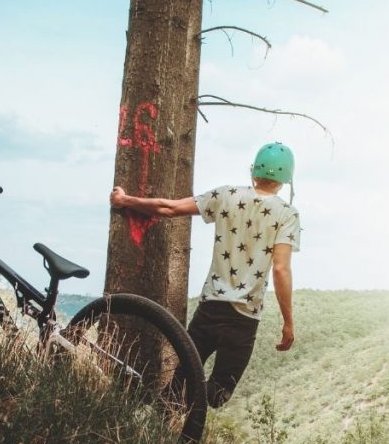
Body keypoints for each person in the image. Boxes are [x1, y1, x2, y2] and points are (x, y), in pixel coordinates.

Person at [109, 142, 301, 407]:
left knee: (179, 387)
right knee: (217, 395)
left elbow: (170, 208)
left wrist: (125, 200)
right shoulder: (287, 214)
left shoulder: (226, 195)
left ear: (254, 171)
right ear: (285, 180)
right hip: (244, 319)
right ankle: (175, 431)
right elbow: (281, 269)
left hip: (210, 308)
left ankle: (153, 422)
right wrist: (288, 322)